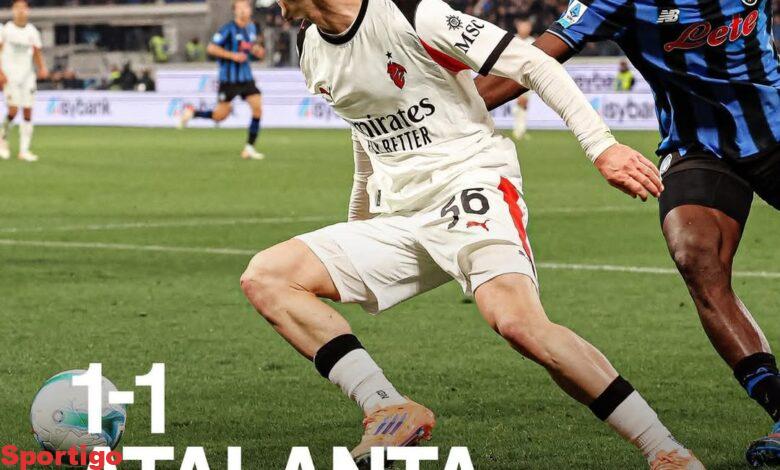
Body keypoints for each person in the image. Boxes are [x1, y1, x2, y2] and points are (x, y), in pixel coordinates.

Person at [240, 0, 705, 467]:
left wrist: (602, 147)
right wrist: (357, 225)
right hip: (399, 214)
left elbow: (533, 63)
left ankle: (665, 451)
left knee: (518, 324)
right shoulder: (310, 46)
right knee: (268, 277)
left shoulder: (414, 13)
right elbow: (364, 133)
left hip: (470, 186)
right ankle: (386, 406)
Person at [475, 0, 780, 465]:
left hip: (774, 129)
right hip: (697, 146)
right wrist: (434, 111)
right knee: (695, 255)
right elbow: (532, 60)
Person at [178, 0, 266, 161]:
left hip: (246, 78)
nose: (244, 10)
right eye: (240, 7)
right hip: (229, 80)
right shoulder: (227, 29)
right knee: (220, 116)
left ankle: (249, 148)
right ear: (235, 11)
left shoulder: (252, 28)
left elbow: (249, 48)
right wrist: (232, 55)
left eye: (246, 6)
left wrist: (257, 51)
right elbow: (211, 48)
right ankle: (193, 113)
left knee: (257, 109)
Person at [0, 0, 48, 163]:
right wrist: (0, 72)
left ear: (28, 10)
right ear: (13, 10)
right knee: (13, 110)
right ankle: (2, 138)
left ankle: (24, 150)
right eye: (17, 8)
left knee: (28, 111)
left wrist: (42, 68)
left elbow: (37, 52)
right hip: (10, 76)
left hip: (28, 76)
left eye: (23, 8)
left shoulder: (32, 31)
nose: (21, 11)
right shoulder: (6, 30)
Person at [512, 16, 535, 140]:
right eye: (523, 26)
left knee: (524, 103)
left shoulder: (532, 41)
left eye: (527, 26)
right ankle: (518, 130)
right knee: (521, 102)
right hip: (514, 75)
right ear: (518, 27)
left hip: (527, 77)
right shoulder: (513, 40)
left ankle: (520, 130)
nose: (525, 29)